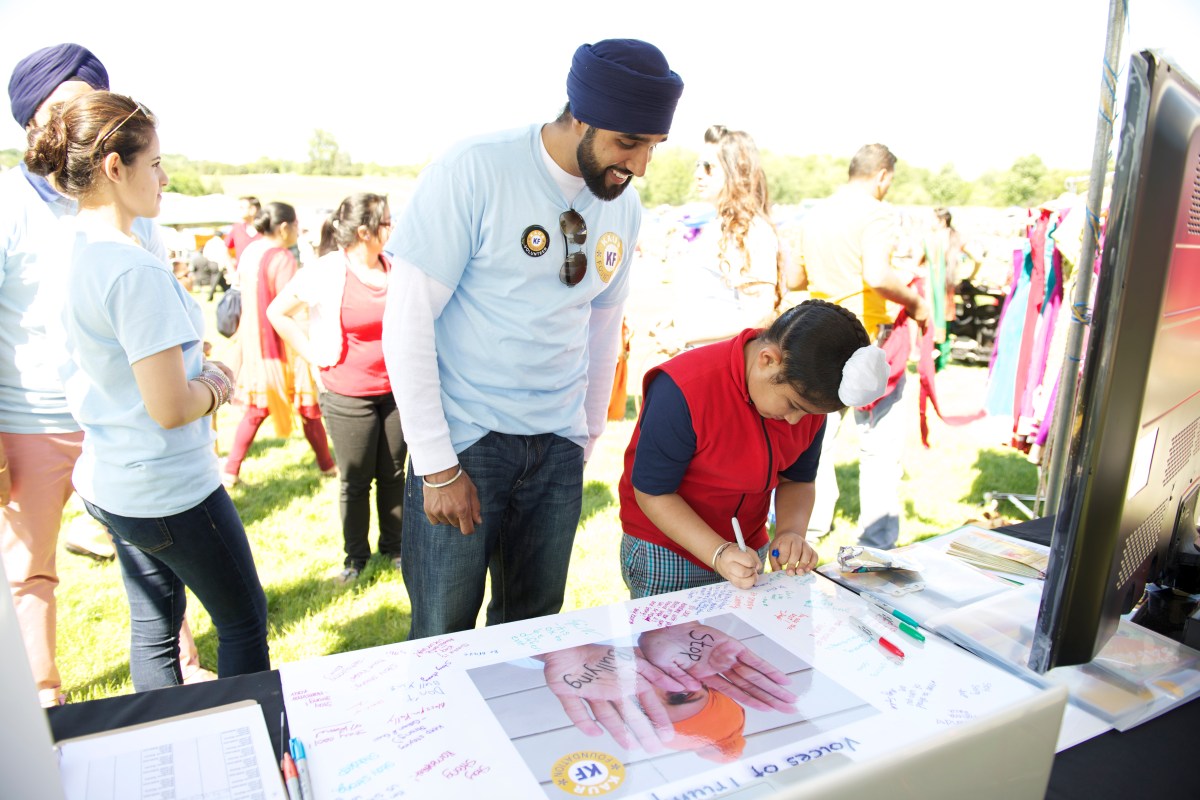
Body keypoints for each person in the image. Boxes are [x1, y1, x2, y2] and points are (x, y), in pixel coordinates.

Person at [382, 39, 684, 639]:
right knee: (443, 635)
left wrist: (586, 433)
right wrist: (439, 466)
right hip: (468, 440)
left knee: (533, 634)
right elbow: (408, 320)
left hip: (557, 445)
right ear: (582, 115)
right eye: (629, 143)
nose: (641, 166)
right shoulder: (475, 167)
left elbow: (604, 323)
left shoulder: (624, 205)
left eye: (653, 146)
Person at [25, 90, 270, 690]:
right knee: (242, 620)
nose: (163, 178)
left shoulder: (73, 247)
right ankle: (252, 749)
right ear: (115, 167)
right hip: (168, 487)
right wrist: (218, 382)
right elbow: (169, 407)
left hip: (113, 477)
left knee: (154, 626)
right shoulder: (131, 268)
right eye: (155, 163)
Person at [1, 43, 212, 706]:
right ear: (37, 122)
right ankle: (42, 694)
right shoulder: (8, 204)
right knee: (29, 569)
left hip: (118, 421)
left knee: (156, 552)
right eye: (69, 107)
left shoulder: (126, 197)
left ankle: (181, 669)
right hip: (29, 421)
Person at [619, 300, 887, 597]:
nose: (795, 420)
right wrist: (717, 553)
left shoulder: (807, 402)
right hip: (669, 551)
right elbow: (653, 492)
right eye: (793, 406)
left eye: (809, 413)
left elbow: (798, 479)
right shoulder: (683, 389)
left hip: (745, 549)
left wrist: (790, 531)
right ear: (767, 360)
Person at [267, 194, 405, 584]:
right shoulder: (327, 270)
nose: (391, 228)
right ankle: (355, 558)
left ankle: (395, 549)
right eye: (386, 222)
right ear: (364, 231)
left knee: (395, 473)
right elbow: (278, 312)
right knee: (356, 478)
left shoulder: (394, 268)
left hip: (395, 392)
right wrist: (312, 354)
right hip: (346, 393)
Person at [796, 144, 929, 550]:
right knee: (878, 445)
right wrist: (917, 302)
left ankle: (810, 528)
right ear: (883, 176)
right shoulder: (877, 213)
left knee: (816, 442)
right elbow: (876, 274)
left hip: (818, 334)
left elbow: (797, 278)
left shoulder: (816, 213)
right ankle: (877, 541)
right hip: (867, 339)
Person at [221, 202, 336, 488]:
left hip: (254, 341)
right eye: (296, 225)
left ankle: (231, 471)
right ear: (284, 227)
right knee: (307, 407)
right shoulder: (281, 257)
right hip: (281, 345)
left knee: (258, 408)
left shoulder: (250, 252)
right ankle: (328, 466)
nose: (298, 231)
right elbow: (289, 308)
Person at [649, 124, 784, 354]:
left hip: (724, 367)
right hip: (701, 359)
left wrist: (683, 335)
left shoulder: (752, 230)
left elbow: (759, 315)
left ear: (736, 172)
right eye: (698, 165)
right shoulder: (718, 225)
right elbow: (715, 298)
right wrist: (676, 319)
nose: (698, 173)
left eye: (709, 167)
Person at [223, 195, 261, 269]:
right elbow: (224, 249)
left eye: (241, 208)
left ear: (252, 209)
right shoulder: (237, 228)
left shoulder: (266, 229)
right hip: (243, 276)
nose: (238, 211)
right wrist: (231, 270)